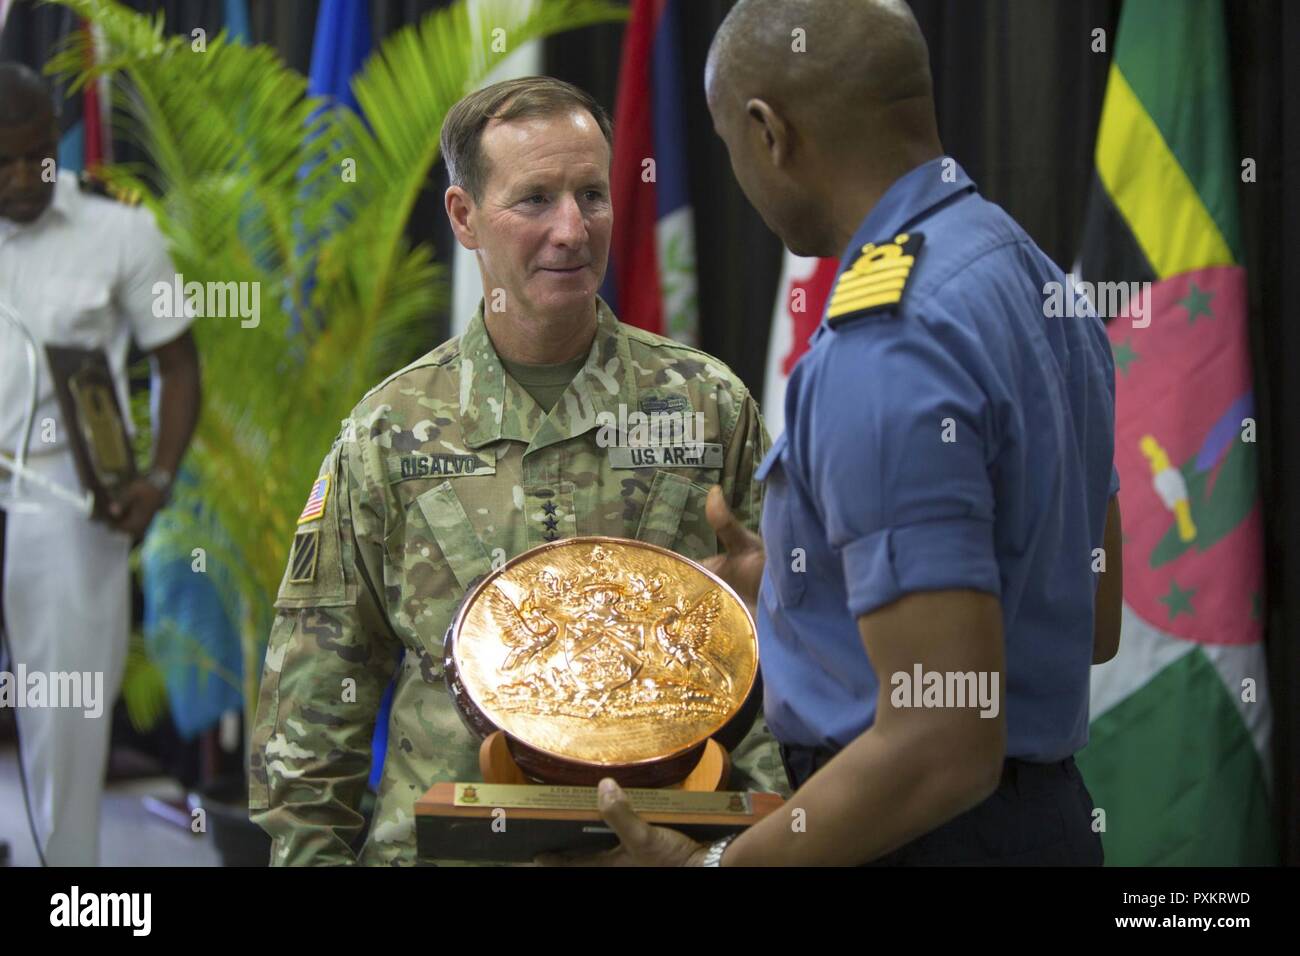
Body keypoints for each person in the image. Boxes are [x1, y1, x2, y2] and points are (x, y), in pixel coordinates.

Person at [551, 0, 1122, 866]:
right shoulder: (1036, 283)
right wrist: (798, 583)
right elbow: (1089, 618)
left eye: (727, 145)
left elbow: (941, 742)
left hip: (917, 837)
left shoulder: (885, 344)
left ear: (766, 131)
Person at [248, 76, 786, 866]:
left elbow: (776, 671)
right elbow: (315, 701)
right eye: (534, 199)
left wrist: (756, 843)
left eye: (592, 196)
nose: (572, 229)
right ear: (464, 217)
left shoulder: (707, 407)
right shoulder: (389, 432)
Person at [0, 63, 200, 866]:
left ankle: (67, 885)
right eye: (3, 162)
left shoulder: (121, 232)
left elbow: (178, 363)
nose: (23, 177)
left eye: (38, 156)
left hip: (68, 499)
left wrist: (155, 480)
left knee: (67, 719)